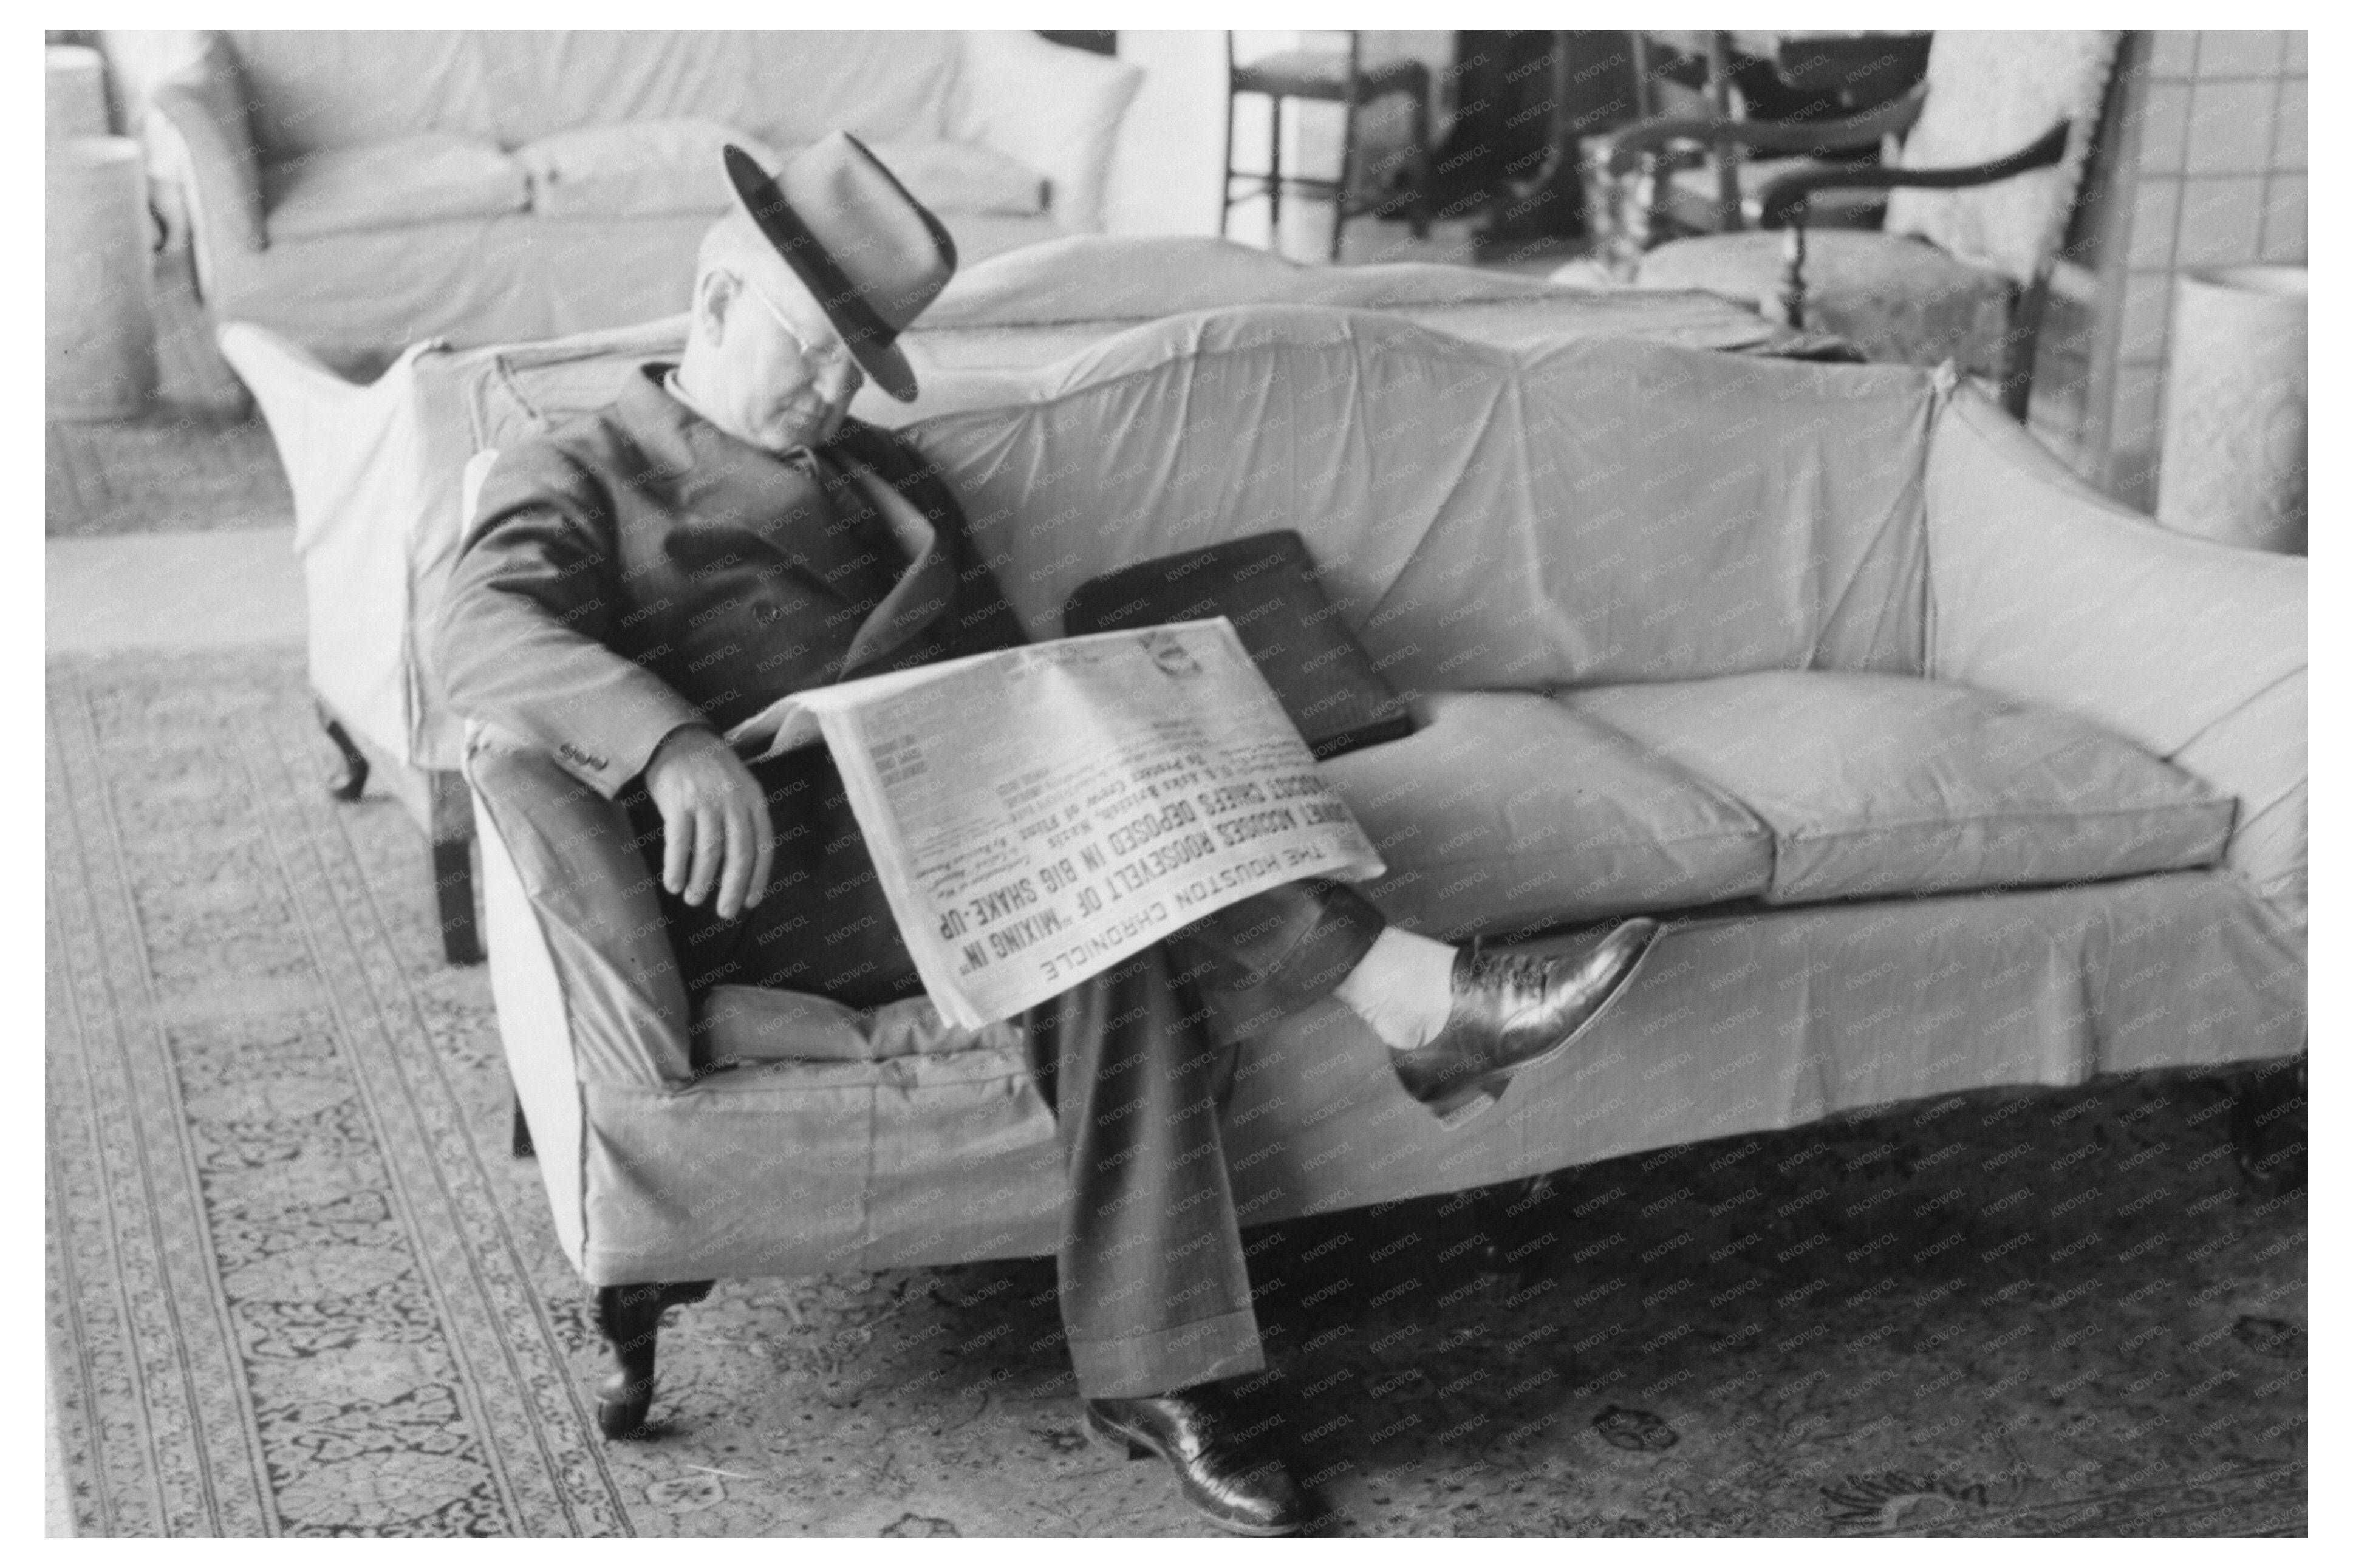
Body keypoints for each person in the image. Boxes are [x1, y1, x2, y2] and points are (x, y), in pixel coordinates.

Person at [435, 132, 1658, 1536]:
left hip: (958, 837)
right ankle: (1410, 993)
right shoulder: (576, 471)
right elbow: (473, 629)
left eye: (861, 358)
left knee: (1101, 915)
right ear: (716, 299)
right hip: (774, 875)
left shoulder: (889, 479)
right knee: (1086, 863)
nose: (835, 388)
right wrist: (665, 740)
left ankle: (1169, 1374)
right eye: (816, 347)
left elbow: (1005, 690)